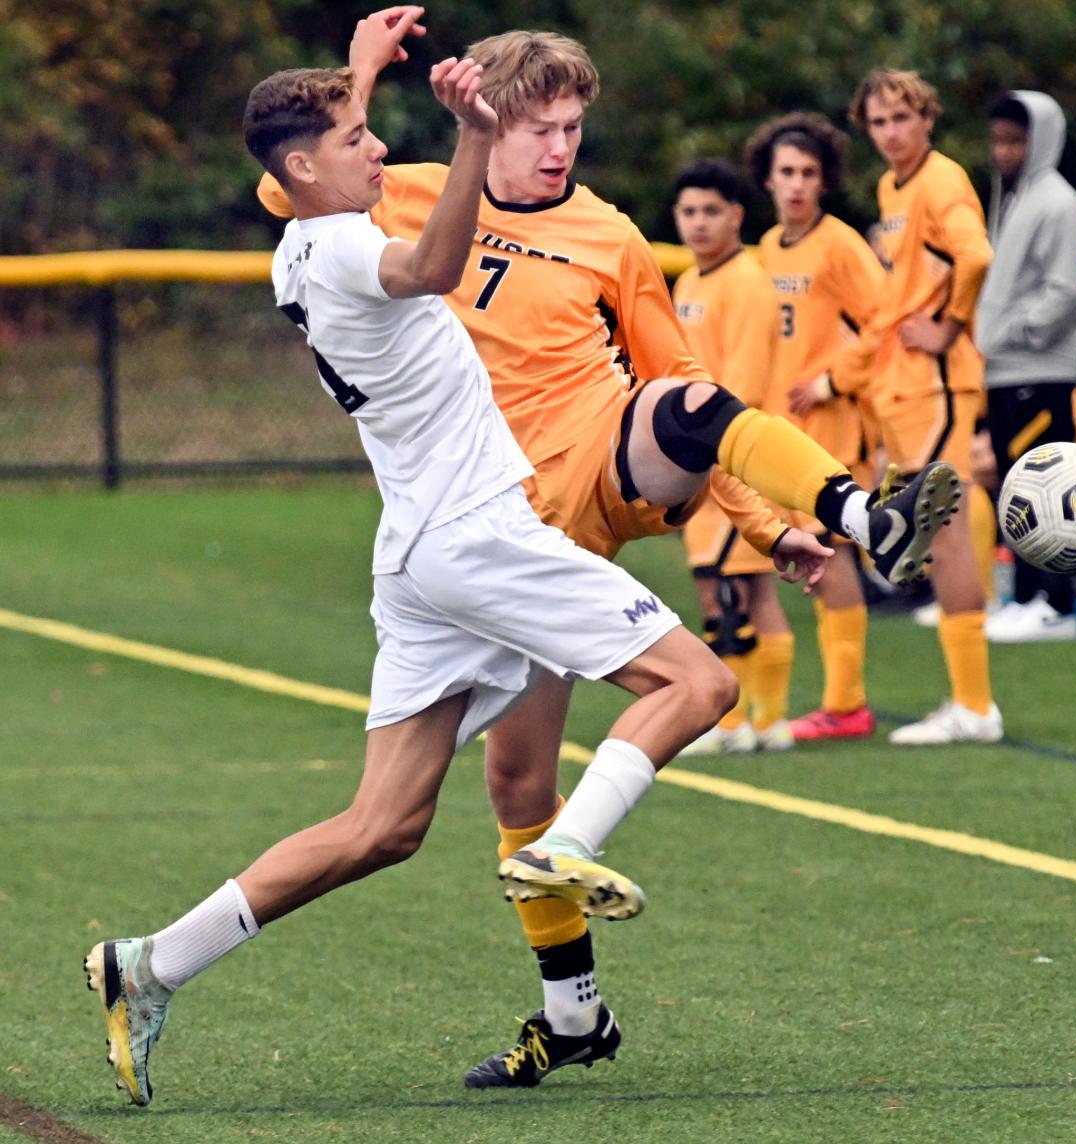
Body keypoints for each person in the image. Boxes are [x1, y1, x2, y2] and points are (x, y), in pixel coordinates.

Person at [83, 44, 823, 1107]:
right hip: (482, 535)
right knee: (701, 685)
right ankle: (566, 849)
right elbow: (430, 267)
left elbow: (332, 166)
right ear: (305, 172)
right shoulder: (346, 250)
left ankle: (146, 965)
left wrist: (359, 70)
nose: (380, 146)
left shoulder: (303, 243)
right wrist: (473, 132)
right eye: (356, 139)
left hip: (418, 551)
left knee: (383, 826)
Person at [260, 15, 960, 1088]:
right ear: (484, 120)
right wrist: (361, 80)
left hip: (592, 484)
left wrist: (774, 526)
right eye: (537, 126)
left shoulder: (612, 237)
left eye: (573, 126)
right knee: (514, 780)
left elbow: (689, 396)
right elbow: (284, 186)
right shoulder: (396, 193)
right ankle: (572, 1014)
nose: (557, 148)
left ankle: (866, 514)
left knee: (680, 405)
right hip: (484, 528)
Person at [847, 68, 1002, 745]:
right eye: (879, 122)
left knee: (944, 525)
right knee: (935, 530)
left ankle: (974, 705)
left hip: (938, 377)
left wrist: (950, 325)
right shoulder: (892, 186)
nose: (890, 133)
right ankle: (968, 700)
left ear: (928, 119)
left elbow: (975, 256)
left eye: (902, 118)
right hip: (905, 382)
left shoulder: (941, 180)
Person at [746, 112, 889, 743]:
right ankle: (837, 700)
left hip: (831, 422)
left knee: (832, 559)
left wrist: (834, 380)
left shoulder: (840, 244)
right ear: (768, 180)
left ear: (825, 180)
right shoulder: (768, 248)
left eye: (808, 172)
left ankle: (846, 704)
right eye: (786, 172)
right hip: (783, 428)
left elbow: (887, 321)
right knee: (814, 562)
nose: (797, 184)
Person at [670, 158, 795, 754]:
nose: (698, 223)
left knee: (727, 589)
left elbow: (740, 390)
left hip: (733, 458)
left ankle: (735, 721)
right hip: (705, 459)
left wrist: (703, 449)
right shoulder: (690, 282)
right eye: (689, 211)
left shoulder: (747, 283)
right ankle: (766, 722)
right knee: (744, 590)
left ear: (737, 216)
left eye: (710, 211)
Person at [975, 90, 1076, 642]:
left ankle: (1056, 602)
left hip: (1038, 369)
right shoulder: (1016, 197)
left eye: (1015, 140)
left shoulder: (1058, 202)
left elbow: (1067, 289)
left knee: (1044, 486)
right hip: (1007, 368)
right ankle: (1025, 594)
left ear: (1041, 139)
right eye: (998, 139)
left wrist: (1018, 331)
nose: (1004, 151)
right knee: (1015, 485)